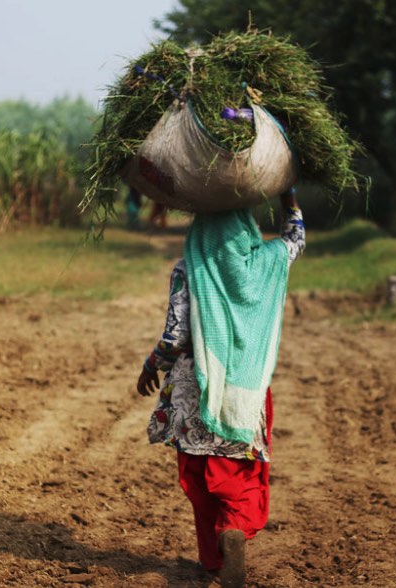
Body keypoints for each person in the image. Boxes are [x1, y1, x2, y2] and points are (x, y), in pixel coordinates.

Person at [137, 188, 304, 588]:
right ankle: (234, 528)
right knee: (240, 473)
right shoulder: (267, 261)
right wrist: (289, 198)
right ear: (246, 227)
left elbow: (175, 336)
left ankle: (213, 558)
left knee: (198, 475)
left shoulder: (189, 267)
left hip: (195, 386)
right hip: (244, 390)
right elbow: (296, 238)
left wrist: (151, 365)